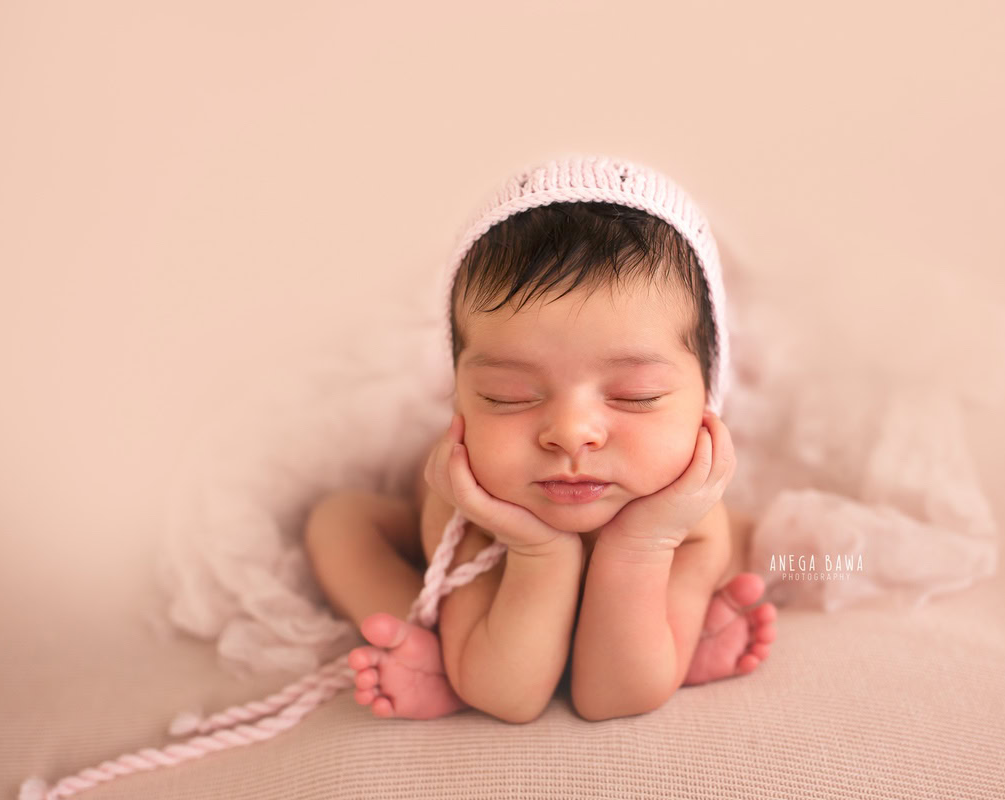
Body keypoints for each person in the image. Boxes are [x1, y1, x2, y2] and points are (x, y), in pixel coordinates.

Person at [303, 155, 777, 724]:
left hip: (652, 550)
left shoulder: (689, 525)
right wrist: (536, 551)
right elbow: (509, 695)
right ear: (460, 396)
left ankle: (669, 636)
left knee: (755, 547)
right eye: (508, 395)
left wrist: (642, 544)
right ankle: (432, 649)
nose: (571, 433)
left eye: (636, 394)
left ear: (706, 401)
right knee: (339, 523)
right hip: (490, 563)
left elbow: (612, 698)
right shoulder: (470, 505)